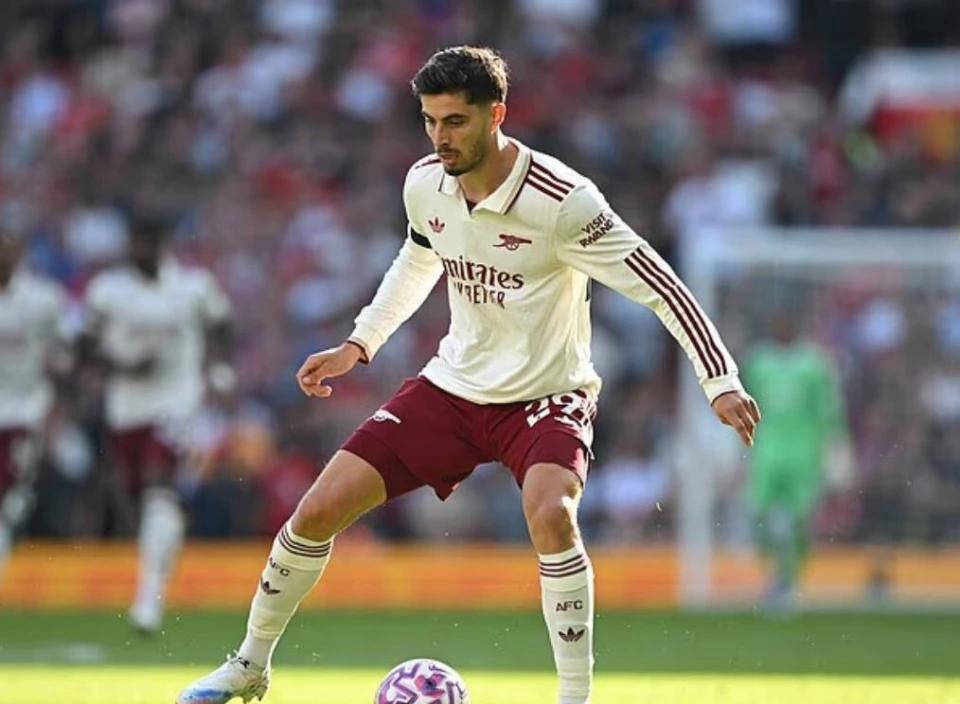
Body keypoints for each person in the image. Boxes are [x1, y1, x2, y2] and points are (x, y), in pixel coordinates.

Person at [177, 46, 760, 704]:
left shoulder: (563, 202)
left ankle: (575, 698)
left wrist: (719, 380)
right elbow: (418, 258)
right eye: (430, 121)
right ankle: (250, 665)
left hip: (547, 395)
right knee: (316, 511)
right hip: (453, 387)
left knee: (551, 515)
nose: (440, 137)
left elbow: (660, 283)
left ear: (496, 115)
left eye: (455, 121)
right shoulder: (425, 183)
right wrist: (360, 343)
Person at [82, 216, 233, 633]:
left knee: (158, 485)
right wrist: (122, 364)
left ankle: (148, 598)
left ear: (162, 244)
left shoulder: (193, 287)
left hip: (177, 404)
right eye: (137, 242)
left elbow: (222, 326)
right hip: (125, 409)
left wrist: (219, 370)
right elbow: (84, 347)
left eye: (149, 242)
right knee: (138, 501)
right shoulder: (107, 291)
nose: (142, 251)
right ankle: (158, 570)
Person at [743, 310, 847, 610]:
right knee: (757, 516)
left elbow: (829, 412)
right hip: (765, 454)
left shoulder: (814, 365)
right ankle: (773, 575)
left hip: (804, 455)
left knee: (801, 521)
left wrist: (836, 449)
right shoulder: (758, 362)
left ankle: (787, 581)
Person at [0, 210, 69, 582]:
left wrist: (59, 372)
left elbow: (67, 351)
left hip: (22, 411)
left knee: (10, 496)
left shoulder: (43, 299)